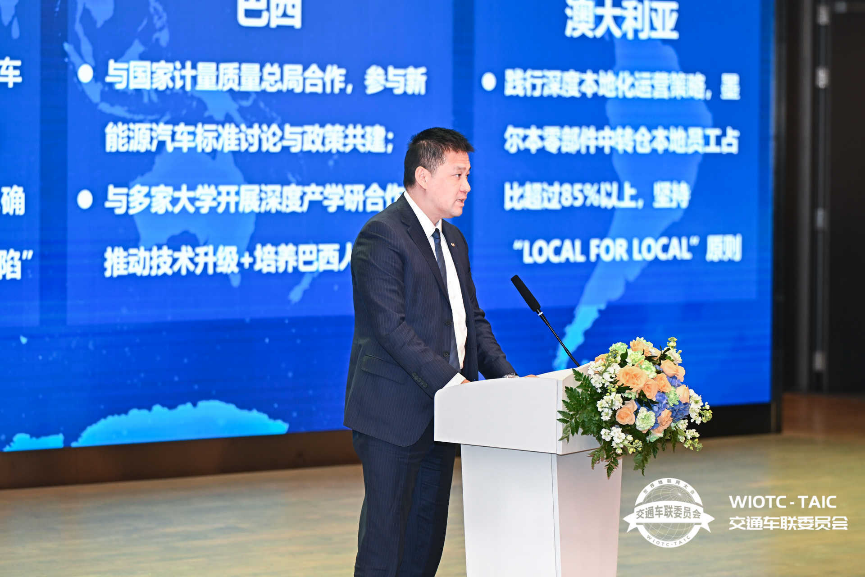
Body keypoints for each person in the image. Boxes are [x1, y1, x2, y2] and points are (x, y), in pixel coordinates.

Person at [344, 127, 517, 576]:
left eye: (468, 175)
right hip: (393, 415)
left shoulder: (453, 239)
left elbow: (471, 321)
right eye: (458, 175)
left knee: (425, 545)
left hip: (444, 417)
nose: (467, 186)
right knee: (385, 547)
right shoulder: (382, 235)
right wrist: (455, 384)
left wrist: (509, 380)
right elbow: (391, 329)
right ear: (423, 176)